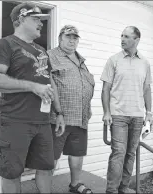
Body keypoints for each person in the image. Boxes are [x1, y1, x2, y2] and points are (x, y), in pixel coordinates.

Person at [0, 3, 64, 193]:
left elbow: (50, 81)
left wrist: (59, 112)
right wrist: (32, 86)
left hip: (43, 121)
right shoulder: (5, 44)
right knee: (12, 172)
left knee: (46, 168)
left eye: (41, 20)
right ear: (20, 19)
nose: (41, 24)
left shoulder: (41, 50)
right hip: (14, 121)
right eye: (36, 19)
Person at [101, 26, 153, 194]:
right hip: (118, 115)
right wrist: (107, 112)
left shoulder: (145, 63)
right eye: (121, 36)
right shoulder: (113, 60)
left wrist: (149, 113)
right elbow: (105, 89)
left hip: (138, 116)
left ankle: (123, 188)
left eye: (126, 36)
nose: (122, 39)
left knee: (130, 153)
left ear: (136, 40)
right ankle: (111, 190)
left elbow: (146, 89)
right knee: (119, 152)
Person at [47, 25, 95, 194]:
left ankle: (75, 184)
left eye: (75, 37)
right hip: (59, 117)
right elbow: (47, 84)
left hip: (80, 117)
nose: (72, 40)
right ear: (60, 38)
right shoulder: (50, 56)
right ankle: (45, 188)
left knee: (77, 153)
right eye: (68, 37)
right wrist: (58, 111)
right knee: (51, 156)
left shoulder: (81, 60)